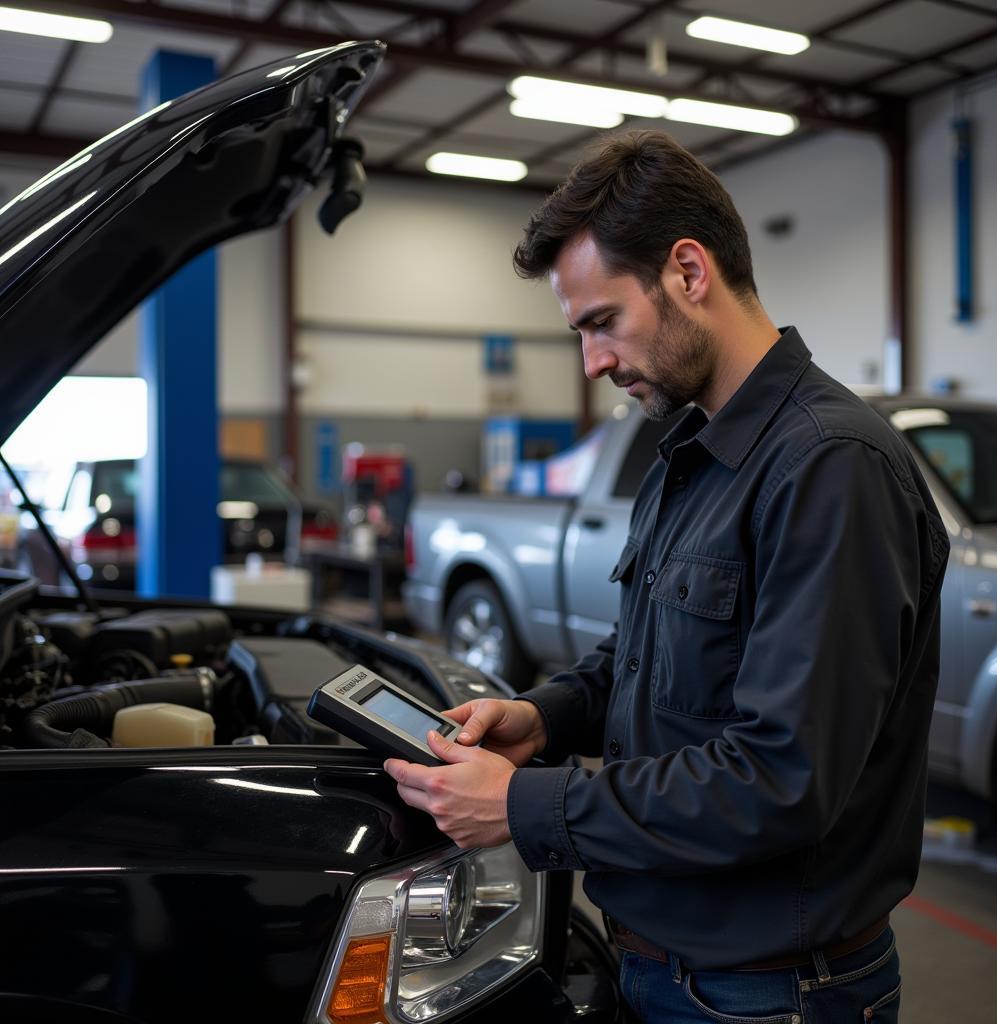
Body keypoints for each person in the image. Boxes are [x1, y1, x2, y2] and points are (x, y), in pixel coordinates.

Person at [383, 130, 949, 1023]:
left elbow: (780, 781)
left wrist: (528, 807)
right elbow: (646, 657)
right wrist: (545, 716)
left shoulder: (828, 468)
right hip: (670, 967)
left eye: (602, 322)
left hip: (769, 993)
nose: (594, 364)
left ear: (689, 271)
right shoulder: (689, 451)